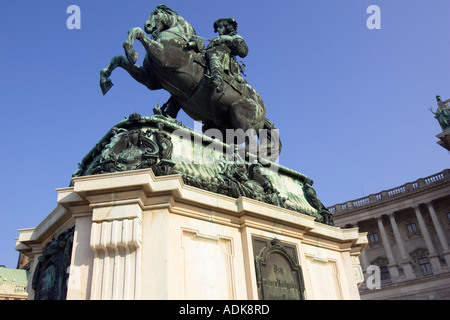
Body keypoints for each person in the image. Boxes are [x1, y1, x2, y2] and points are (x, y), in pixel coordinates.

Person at [205, 17, 248, 92]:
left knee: (211, 54)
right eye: (218, 28)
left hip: (227, 61)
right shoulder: (215, 40)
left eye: (221, 27)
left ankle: (218, 80)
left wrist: (227, 39)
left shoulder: (235, 37)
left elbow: (243, 52)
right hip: (213, 57)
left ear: (228, 27)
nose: (218, 29)